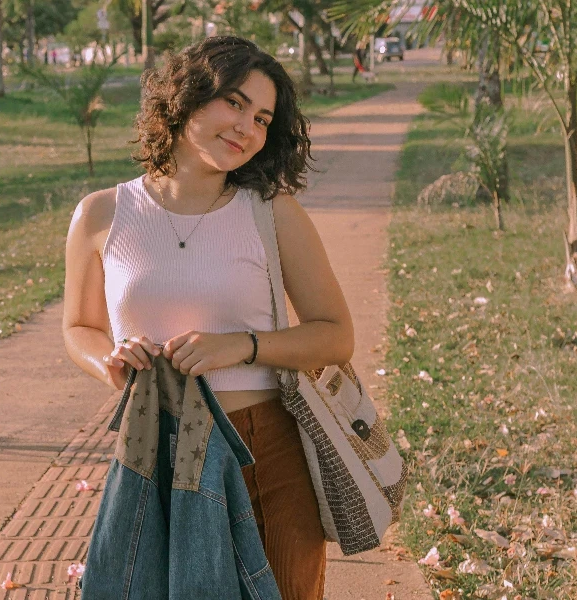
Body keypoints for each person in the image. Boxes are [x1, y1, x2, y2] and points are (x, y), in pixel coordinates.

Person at [63, 35, 354, 600]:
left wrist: (241, 346)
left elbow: (335, 335)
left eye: (264, 118)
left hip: (263, 449)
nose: (249, 127)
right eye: (235, 103)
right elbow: (79, 326)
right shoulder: (102, 214)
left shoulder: (271, 211)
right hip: (154, 446)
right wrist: (111, 361)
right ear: (187, 98)